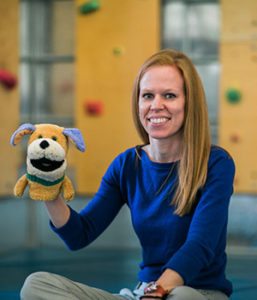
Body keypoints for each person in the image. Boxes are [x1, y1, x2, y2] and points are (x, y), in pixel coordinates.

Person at [20, 49, 235, 300]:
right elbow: (80, 234)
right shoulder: (127, 165)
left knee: (183, 297)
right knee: (35, 286)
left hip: (198, 294)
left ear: (189, 103)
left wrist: (157, 292)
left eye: (169, 95)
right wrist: (48, 186)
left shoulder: (216, 162)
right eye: (147, 96)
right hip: (142, 294)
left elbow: (200, 245)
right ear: (138, 103)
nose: (156, 105)